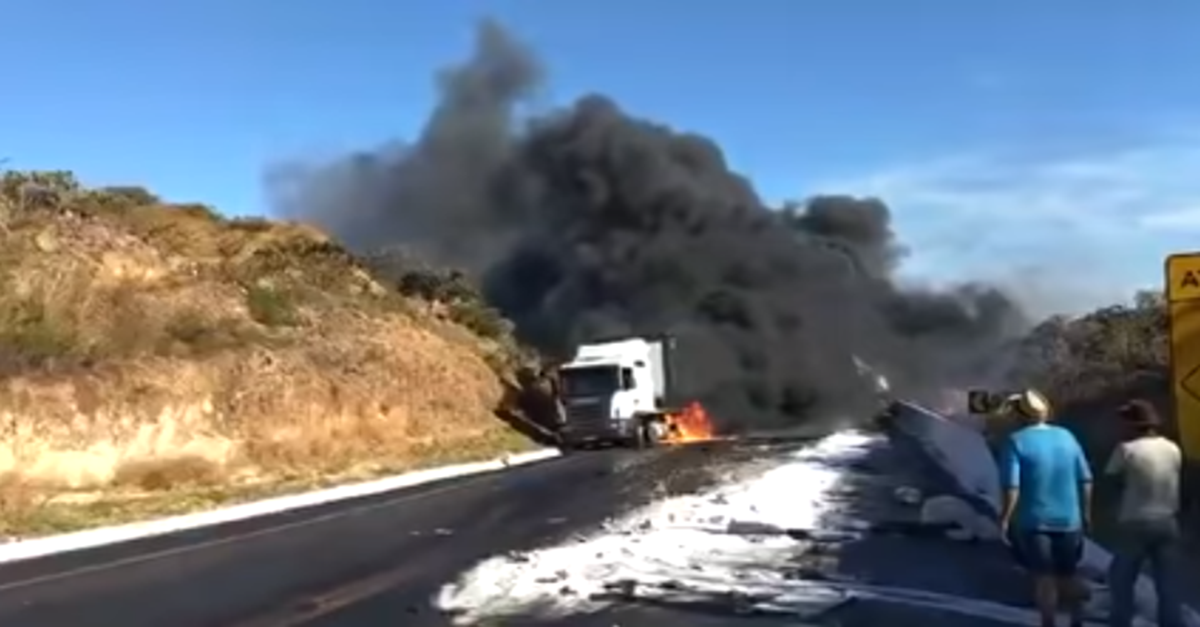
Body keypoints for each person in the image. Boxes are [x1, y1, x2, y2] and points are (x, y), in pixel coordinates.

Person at [998, 389, 1094, 627]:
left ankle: (1049, 623)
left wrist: (1005, 518)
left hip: (1033, 521)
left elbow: (1012, 486)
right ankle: (1077, 617)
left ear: (1019, 415)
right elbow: (1086, 479)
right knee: (1068, 574)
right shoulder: (1067, 437)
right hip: (1070, 519)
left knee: (1044, 578)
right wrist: (1086, 513)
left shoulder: (1016, 441)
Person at [1104, 399, 1184, 627]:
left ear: (1133, 424)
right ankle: (1172, 622)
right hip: (1167, 520)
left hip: (1135, 521)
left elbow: (1111, 482)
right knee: (1167, 581)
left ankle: (1121, 621)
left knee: (1121, 578)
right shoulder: (1172, 448)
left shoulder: (1126, 450)